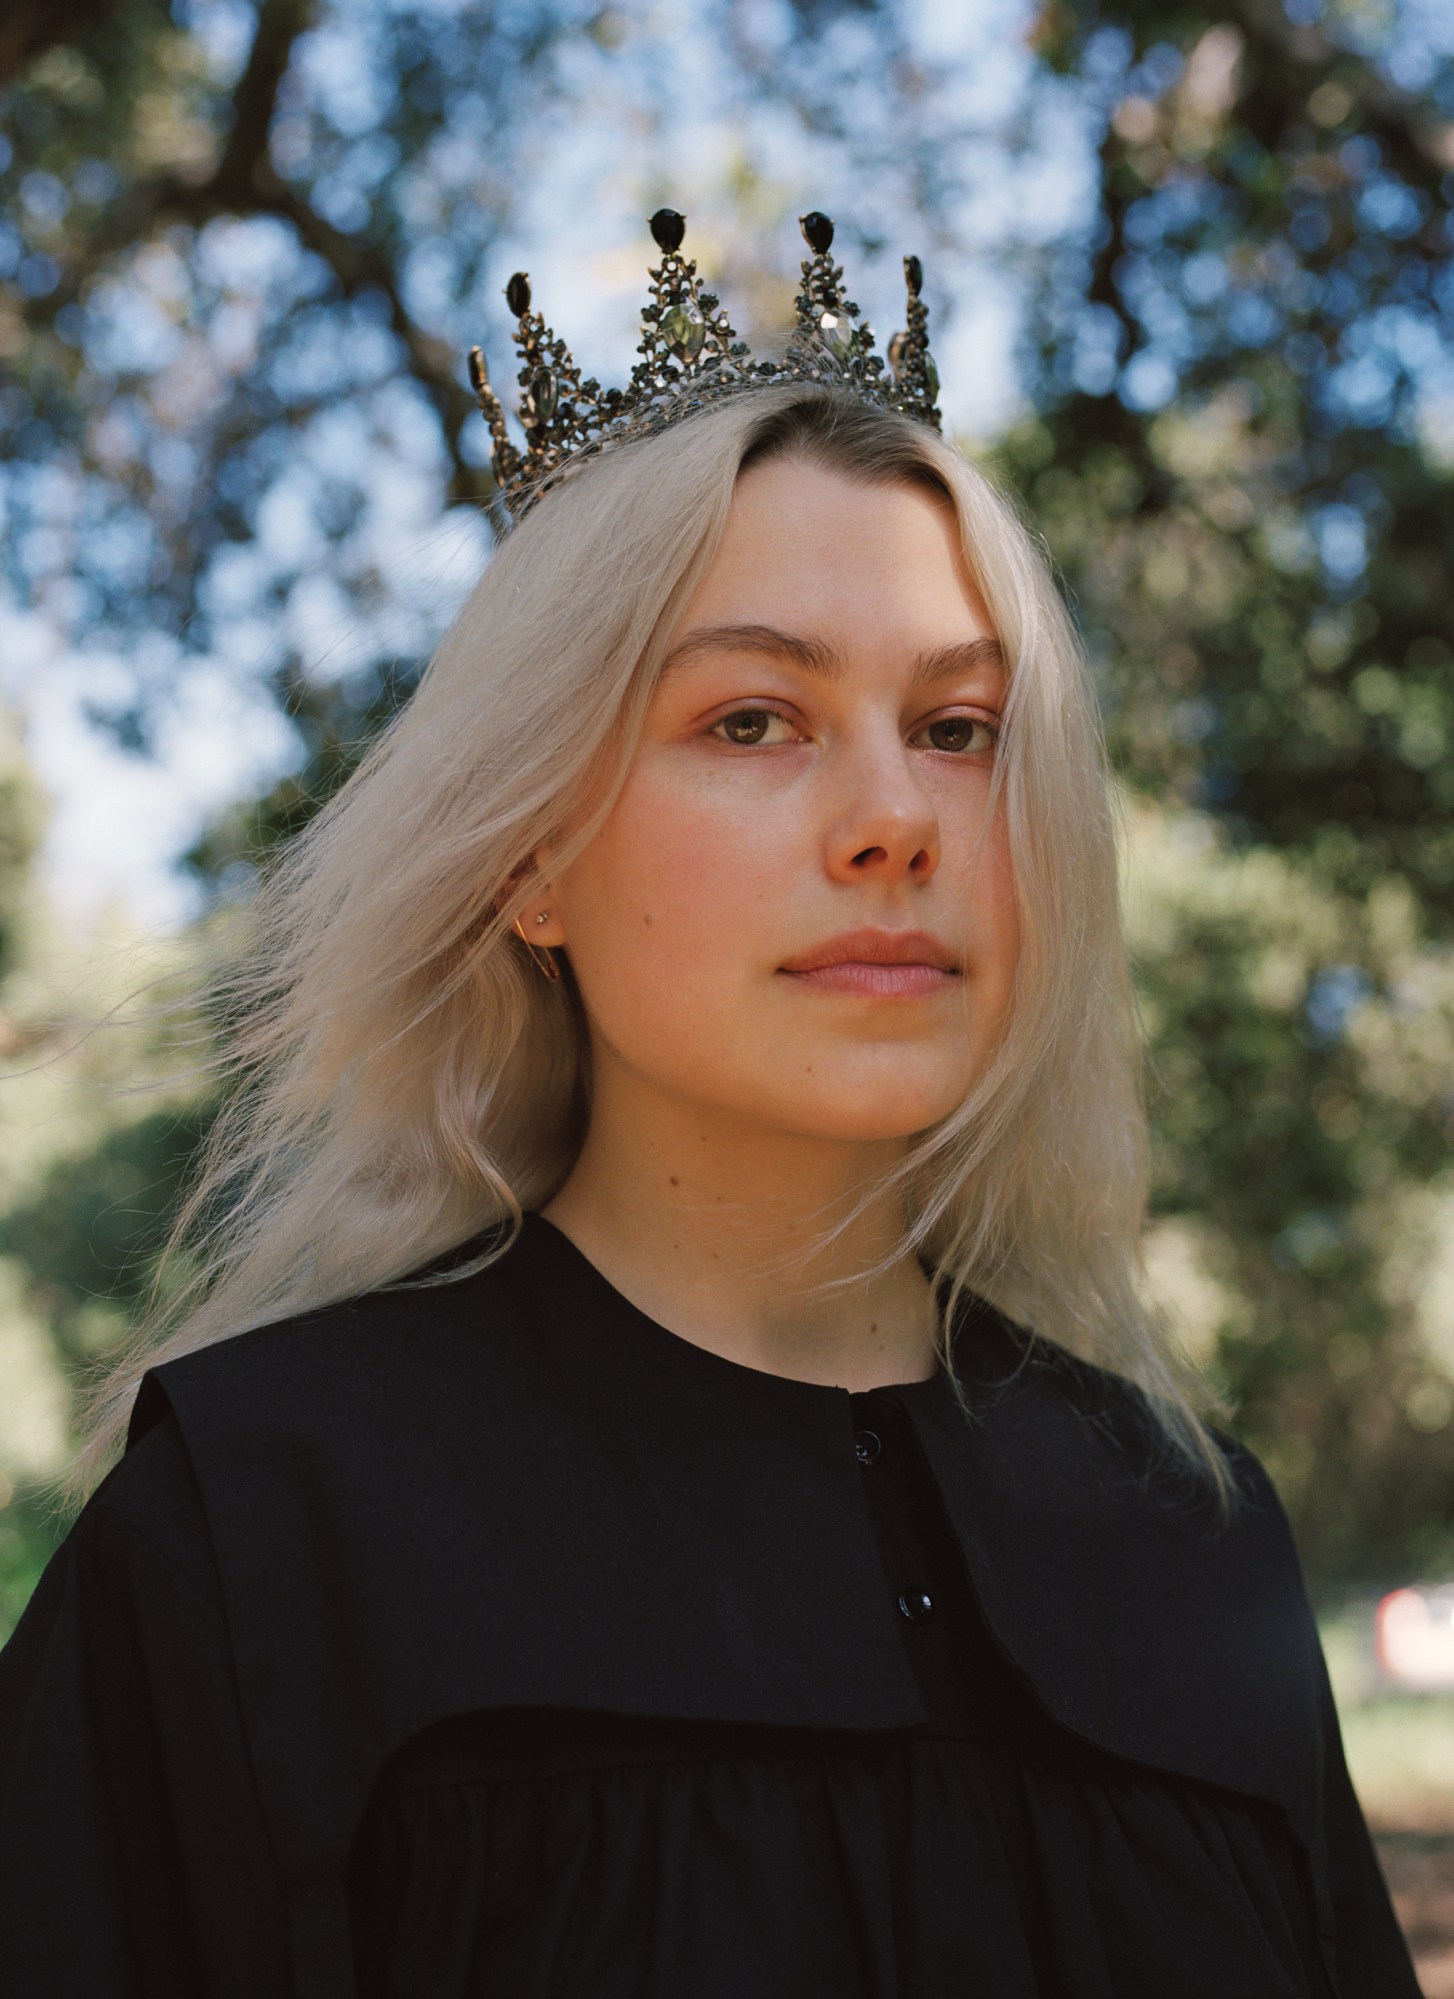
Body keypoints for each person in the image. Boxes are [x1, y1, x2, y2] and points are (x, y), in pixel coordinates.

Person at [0, 214, 1423, 1999]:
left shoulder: (1190, 1535)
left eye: (963, 728)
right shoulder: (263, 1528)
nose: (891, 817)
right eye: (753, 720)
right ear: (529, 857)